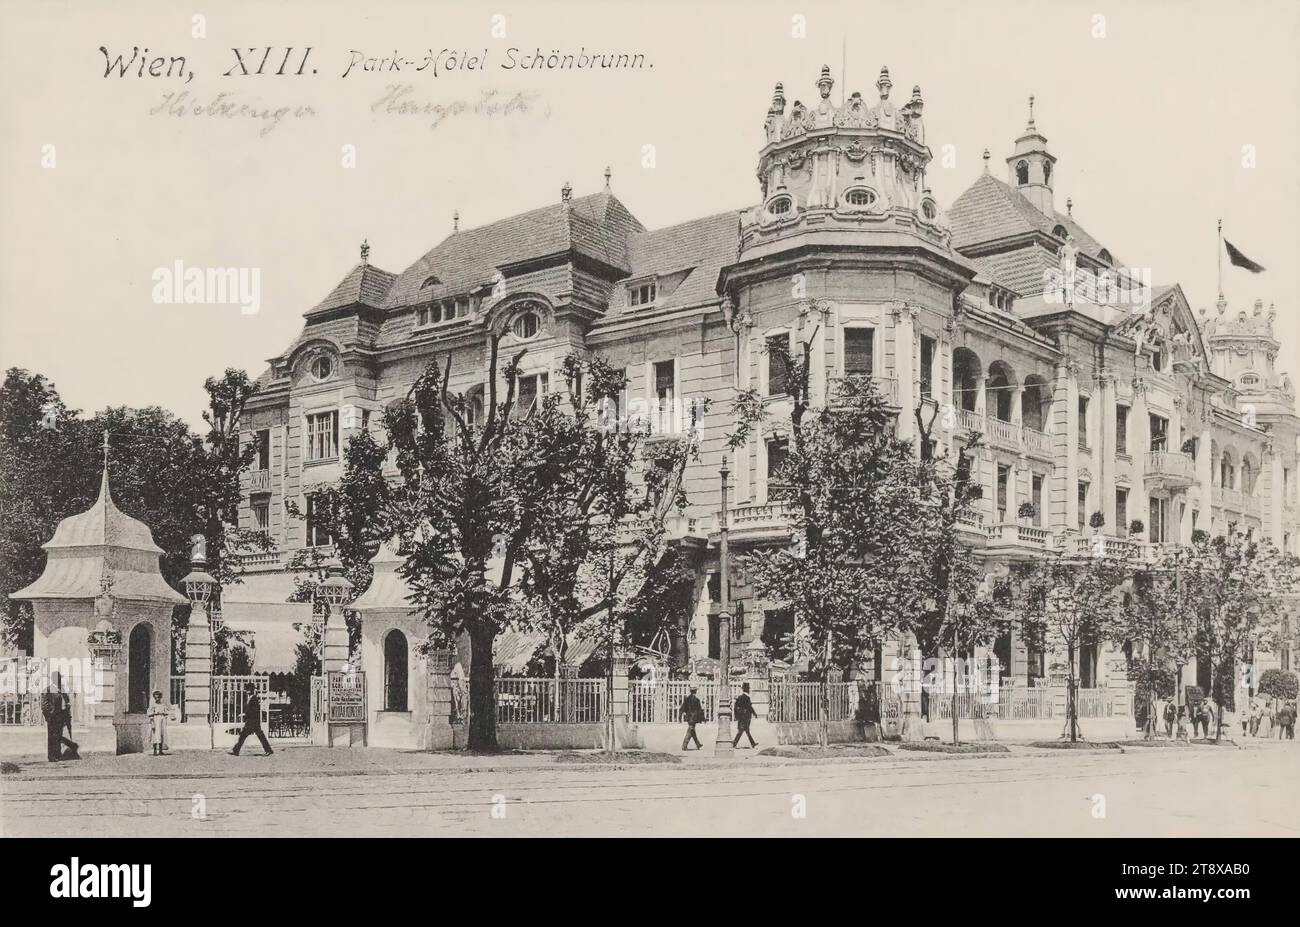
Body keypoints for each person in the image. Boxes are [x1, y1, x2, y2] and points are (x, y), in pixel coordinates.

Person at [40, 672, 79, 762]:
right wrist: (49, 716)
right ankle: (52, 756)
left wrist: (67, 705)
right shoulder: (48, 690)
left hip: (61, 717)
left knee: (58, 736)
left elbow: (66, 700)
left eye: (59, 678)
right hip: (52, 717)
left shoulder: (61, 689)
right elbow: (44, 705)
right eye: (57, 678)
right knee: (52, 737)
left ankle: (58, 754)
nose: (59, 680)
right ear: (53, 679)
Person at [229, 682, 273, 756]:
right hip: (251, 721)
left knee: (244, 736)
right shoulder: (250, 698)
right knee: (257, 736)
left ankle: (236, 750)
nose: (247, 691)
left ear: (251, 690)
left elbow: (254, 710)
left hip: (253, 721)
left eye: (248, 689)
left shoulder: (254, 698)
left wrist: (245, 715)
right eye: (247, 689)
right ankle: (268, 750)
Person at [732, 681, 758, 749]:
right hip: (746, 717)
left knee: (745, 730)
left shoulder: (740, 697)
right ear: (747, 689)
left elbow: (735, 707)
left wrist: (736, 716)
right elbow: (749, 707)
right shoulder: (747, 698)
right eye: (748, 689)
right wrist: (754, 713)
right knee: (742, 730)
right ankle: (734, 743)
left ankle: (752, 743)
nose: (749, 690)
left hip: (741, 717)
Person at [680, 685, 704, 751]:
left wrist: (680, 716)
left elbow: (682, 708)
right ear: (695, 691)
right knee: (690, 731)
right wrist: (703, 719)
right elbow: (700, 710)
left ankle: (698, 744)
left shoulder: (687, 699)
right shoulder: (697, 700)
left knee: (692, 731)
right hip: (694, 718)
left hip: (689, 717)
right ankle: (684, 745)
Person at [147, 689, 169, 756]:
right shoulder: (153, 705)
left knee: (161, 735)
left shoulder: (163, 705)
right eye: (155, 697)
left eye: (158, 697)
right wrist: (152, 721)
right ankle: (154, 751)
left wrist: (166, 714)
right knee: (155, 735)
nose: (157, 698)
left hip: (162, 720)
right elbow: (149, 713)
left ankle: (160, 750)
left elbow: (166, 712)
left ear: (160, 697)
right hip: (155, 720)